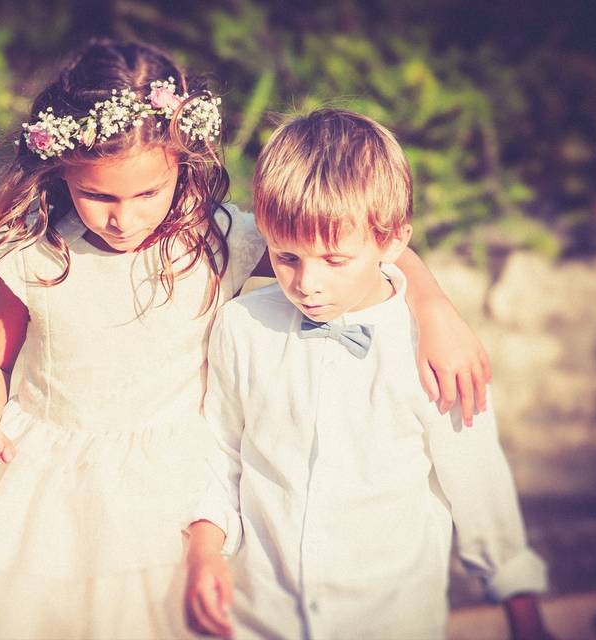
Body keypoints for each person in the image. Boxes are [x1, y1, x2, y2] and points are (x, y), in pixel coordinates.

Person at [0, 41, 490, 639]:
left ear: (182, 161)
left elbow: (345, 244)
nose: (125, 217)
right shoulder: (36, 258)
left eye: (147, 192)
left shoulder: (219, 240)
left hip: (174, 493)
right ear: (60, 171)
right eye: (97, 195)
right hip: (46, 486)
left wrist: (433, 306)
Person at [184, 108, 549, 640]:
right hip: (260, 617)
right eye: (286, 257)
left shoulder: (432, 348)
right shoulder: (242, 326)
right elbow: (221, 455)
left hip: (391, 620)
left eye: (335, 260)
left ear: (393, 241)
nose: (307, 283)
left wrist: (525, 615)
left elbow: (478, 485)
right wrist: (204, 550)